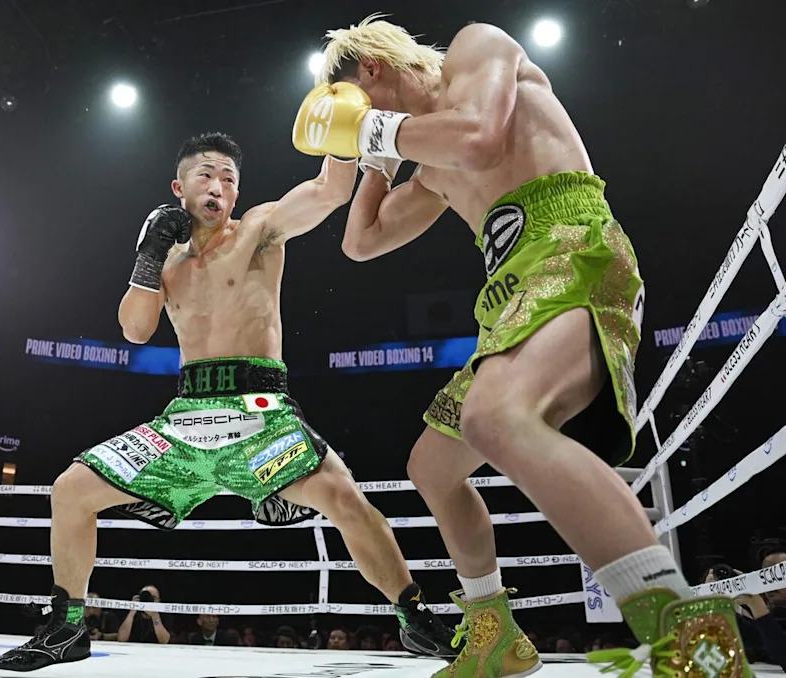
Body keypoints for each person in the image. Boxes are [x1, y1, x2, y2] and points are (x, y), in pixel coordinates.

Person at [294, 15, 753, 678]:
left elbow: (480, 138)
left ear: (371, 70)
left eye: (358, 106)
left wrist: (371, 126)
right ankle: (494, 634)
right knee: (433, 467)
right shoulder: (427, 165)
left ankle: (691, 636)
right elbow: (360, 243)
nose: (363, 121)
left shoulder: (476, 51)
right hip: (510, 297)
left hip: (573, 247)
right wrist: (377, 159)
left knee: (496, 417)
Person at [0, 132, 456, 671]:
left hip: (261, 414)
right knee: (71, 490)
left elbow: (329, 190)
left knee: (341, 494)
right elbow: (135, 331)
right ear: (178, 188)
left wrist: (342, 128)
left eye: (229, 179)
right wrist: (147, 257)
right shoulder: (165, 261)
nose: (219, 186)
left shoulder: (258, 231)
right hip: (187, 420)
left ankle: (414, 617)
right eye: (206, 175)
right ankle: (67, 628)